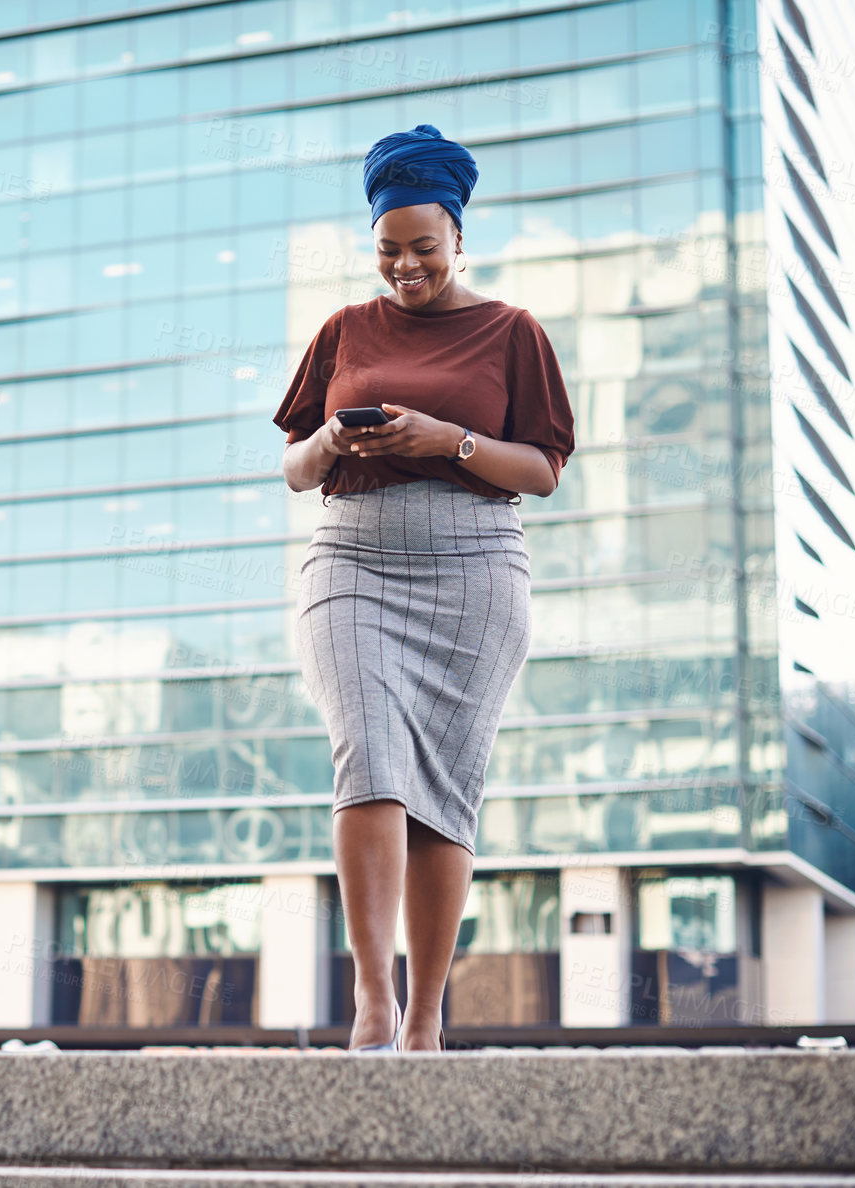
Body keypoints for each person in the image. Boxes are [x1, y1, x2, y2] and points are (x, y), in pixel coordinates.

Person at [272, 123, 575, 1053]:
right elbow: (293, 466)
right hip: (352, 561)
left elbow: (545, 468)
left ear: (457, 238)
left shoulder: (512, 331)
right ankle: (371, 1001)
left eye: (423, 250)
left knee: (443, 789)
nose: (405, 268)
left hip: (475, 570)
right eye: (387, 251)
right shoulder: (343, 331)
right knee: (366, 753)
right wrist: (338, 441)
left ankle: (427, 1018)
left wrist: (447, 441)